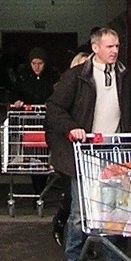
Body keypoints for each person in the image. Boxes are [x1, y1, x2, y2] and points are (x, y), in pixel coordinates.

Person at [46, 28, 131, 261]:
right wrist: (72, 128)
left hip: (115, 149)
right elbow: (54, 108)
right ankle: (74, 259)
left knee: (115, 209)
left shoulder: (123, 75)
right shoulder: (76, 76)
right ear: (95, 48)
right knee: (80, 211)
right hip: (84, 151)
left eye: (117, 46)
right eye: (109, 46)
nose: (115, 51)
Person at [50, 51, 90, 246]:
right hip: (67, 153)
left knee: (88, 200)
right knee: (73, 199)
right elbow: (52, 120)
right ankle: (62, 227)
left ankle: (83, 240)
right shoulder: (62, 91)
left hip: (87, 152)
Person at [11, 47, 60, 197]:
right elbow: (15, 94)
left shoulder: (53, 78)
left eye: (40, 63)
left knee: (45, 157)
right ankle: (38, 190)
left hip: (47, 122)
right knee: (33, 157)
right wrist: (17, 102)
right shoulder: (23, 78)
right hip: (30, 122)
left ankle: (41, 189)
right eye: (34, 63)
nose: (37, 67)